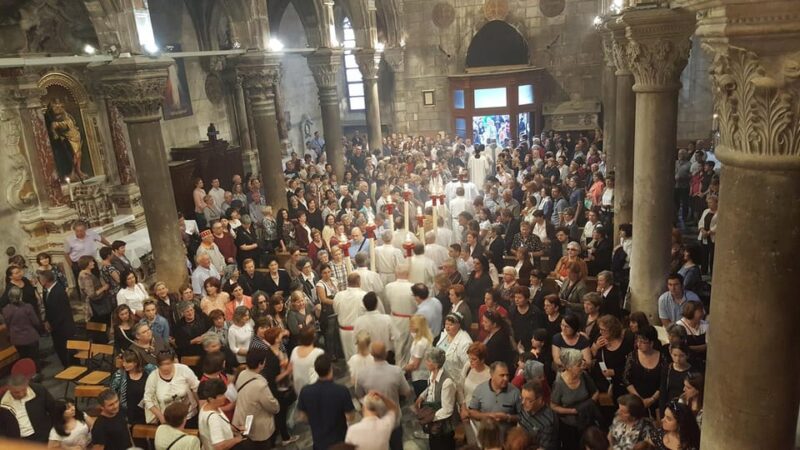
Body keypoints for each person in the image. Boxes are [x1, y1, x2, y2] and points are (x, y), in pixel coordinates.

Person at [355, 341, 412, 450]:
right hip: (393, 420)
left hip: (374, 421)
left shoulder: (362, 373)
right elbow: (407, 392)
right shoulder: (396, 371)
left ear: (371, 354)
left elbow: (359, 395)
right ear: (386, 354)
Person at [297, 354, 356, 450]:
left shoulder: (305, 391)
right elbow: (351, 416)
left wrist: (315, 421)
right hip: (339, 442)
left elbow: (302, 417)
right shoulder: (341, 390)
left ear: (316, 370)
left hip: (319, 443)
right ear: (331, 369)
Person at [550, 348, 600, 450]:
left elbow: (596, 393)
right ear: (568, 367)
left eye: (582, 362)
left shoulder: (584, 376)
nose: (582, 366)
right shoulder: (559, 384)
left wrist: (586, 406)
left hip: (587, 422)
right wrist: (573, 411)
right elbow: (553, 406)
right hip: (570, 428)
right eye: (578, 364)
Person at [233, 348, 280, 449]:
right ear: (260, 364)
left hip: (242, 423)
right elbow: (272, 406)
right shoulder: (260, 385)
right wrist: (276, 404)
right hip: (258, 429)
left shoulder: (242, 374)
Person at [415, 348, 458, 450]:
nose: (426, 363)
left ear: (436, 364)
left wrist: (430, 418)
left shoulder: (447, 382)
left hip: (443, 427)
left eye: (428, 361)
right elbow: (431, 387)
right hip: (434, 426)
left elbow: (447, 410)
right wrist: (422, 396)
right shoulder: (432, 373)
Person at [144, 351, 200, 427]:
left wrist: (200, 407)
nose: (165, 367)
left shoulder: (183, 369)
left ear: (173, 362)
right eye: (162, 364)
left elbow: (196, 388)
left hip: (188, 415)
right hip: (167, 419)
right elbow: (148, 400)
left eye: (168, 364)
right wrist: (161, 418)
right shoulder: (153, 377)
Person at [623, 325, 666, 417]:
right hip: (636, 399)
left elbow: (663, 382)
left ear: (651, 343)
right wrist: (639, 399)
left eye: (643, 342)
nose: (639, 344)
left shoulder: (662, 358)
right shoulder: (632, 356)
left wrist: (652, 399)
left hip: (656, 401)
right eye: (637, 341)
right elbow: (626, 379)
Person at [0, 374, 56, 443]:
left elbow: (53, 409)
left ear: (27, 385)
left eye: (24, 390)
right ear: (9, 389)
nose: (21, 394)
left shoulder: (39, 390)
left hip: (44, 434)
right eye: (16, 392)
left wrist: (55, 434)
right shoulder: (3, 403)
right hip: (20, 441)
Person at [589, 315, 634, 400]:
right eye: (600, 329)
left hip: (619, 383)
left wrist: (615, 372)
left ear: (613, 330)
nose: (600, 332)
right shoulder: (599, 338)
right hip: (601, 381)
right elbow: (592, 354)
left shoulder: (625, 344)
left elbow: (630, 365)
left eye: (603, 330)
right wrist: (596, 347)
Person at [197, 379, 246, 450]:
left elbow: (221, 425)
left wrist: (236, 429)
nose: (225, 397)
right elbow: (219, 446)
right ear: (211, 399)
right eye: (221, 395)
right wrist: (237, 439)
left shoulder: (208, 406)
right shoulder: (213, 418)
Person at [2, 286, 43, 367]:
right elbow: (36, 322)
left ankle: (27, 375)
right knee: (35, 359)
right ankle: (36, 375)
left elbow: (7, 324)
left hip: (16, 339)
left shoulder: (5, 310)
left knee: (24, 359)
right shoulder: (28, 307)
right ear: (20, 296)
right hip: (30, 337)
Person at [110, 350, 153, 425]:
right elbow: (112, 393)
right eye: (123, 362)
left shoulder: (148, 373)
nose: (124, 364)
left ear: (136, 363)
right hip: (126, 413)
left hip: (146, 411)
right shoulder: (119, 375)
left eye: (128, 362)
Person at [353, 292, 397, 357]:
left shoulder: (358, 321)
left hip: (367, 356)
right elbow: (395, 336)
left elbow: (355, 340)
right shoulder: (387, 319)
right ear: (377, 304)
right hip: (385, 354)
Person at [517, 381, 558, 450]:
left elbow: (542, 448)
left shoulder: (548, 420)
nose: (523, 402)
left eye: (528, 400)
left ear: (540, 400)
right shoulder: (524, 406)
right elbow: (519, 425)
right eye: (522, 398)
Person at [435, 312, 473, 386]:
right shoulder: (445, 334)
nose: (447, 327)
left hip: (456, 381)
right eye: (446, 324)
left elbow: (468, 365)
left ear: (458, 325)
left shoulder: (465, 342)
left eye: (451, 325)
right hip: (441, 376)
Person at [403, 315, 433, 396]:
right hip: (424, 375)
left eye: (411, 324)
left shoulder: (420, 343)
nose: (409, 326)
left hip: (420, 377)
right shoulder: (424, 339)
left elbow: (415, 365)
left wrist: (401, 368)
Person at [289, 328, 325, 395]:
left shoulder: (294, 350)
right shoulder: (318, 352)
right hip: (315, 390)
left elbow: (290, 370)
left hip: (299, 389)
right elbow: (325, 373)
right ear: (314, 338)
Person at [659, 344, 692, 414]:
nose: (677, 359)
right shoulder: (668, 369)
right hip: (670, 406)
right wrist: (662, 413)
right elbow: (663, 392)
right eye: (675, 355)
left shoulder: (692, 371)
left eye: (681, 356)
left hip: (685, 408)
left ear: (687, 355)